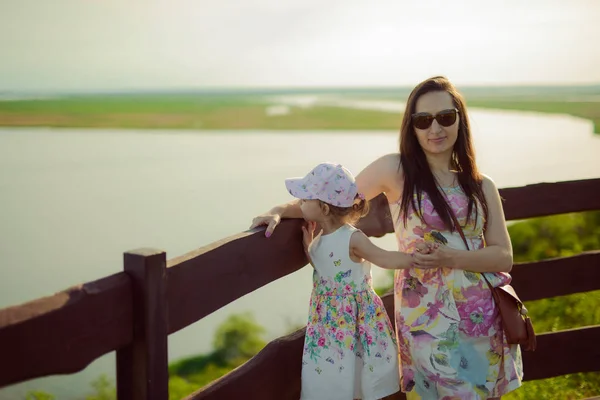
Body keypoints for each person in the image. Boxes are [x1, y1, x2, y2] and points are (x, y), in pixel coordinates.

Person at [250, 76, 523, 399]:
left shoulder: (482, 185)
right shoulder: (395, 170)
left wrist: (449, 257)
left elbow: (503, 256)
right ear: (412, 126)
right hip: (427, 319)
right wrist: (281, 209)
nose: (435, 129)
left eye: (445, 118)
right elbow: (334, 198)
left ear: (460, 121)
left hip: (482, 314)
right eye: (424, 121)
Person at [284, 162, 406, 400]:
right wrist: (309, 248)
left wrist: (415, 258)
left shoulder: (352, 238)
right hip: (329, 323)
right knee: (333, 373)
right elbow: (328, 269)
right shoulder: (319, 240)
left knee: (362, 368)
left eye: (305, 199)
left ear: (324, 208)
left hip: (357, 318)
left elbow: (384, 258)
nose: (300, 203)